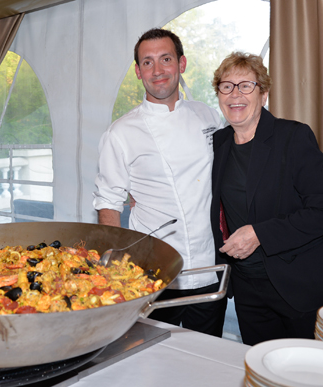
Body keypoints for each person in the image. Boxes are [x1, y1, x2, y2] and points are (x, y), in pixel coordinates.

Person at [93, 28, 227, 337]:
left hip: (209, 265)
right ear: (138, 72)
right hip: (155, 272)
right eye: (148, 62)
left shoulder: (207, 115)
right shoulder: (121, 132)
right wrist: (117, 272)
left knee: (206, 358)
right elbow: (108, 202)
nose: (157, 70)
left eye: (165, 59)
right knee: (152, 359)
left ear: (181, 64)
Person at [210, 52, 323, 346]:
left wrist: (260, 233)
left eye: (246, 85)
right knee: (263, 371)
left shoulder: (293, 137)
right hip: (247, 289)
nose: (235, 94)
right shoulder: (219, 143)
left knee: (309, 374)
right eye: (226, 86)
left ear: (264, 94)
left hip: (298, 286)